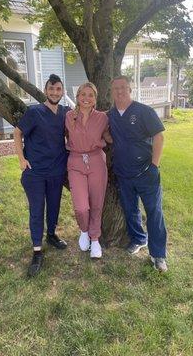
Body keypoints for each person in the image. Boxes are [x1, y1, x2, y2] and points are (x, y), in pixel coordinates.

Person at [108, 75, 168, 272]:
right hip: (123, 174)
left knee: (154, 212)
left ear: (130, 88)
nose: (119, 91)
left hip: (146, 173)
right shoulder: (111, 115)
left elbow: (159, 137)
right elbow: (107, 134)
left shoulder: (144, 111)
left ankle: (158, 255)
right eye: (116, 88)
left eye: (123, 87)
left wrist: (154, 165)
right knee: (130, 209)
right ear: (112, 91)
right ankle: (138, 239)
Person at [14, 74, 69, 277]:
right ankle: (37, 251)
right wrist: (21, 159)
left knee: (54, 205)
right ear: (46, 90)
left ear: (62, 92)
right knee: (37, 210)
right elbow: (17, 133)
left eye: (58, 89)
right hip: (35, 172)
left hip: (57, 169)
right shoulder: (34, 111)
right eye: (51, 89)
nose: (55, 92)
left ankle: (52, 235)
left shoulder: (66, 112)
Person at [65, 83, 110, 259]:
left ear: (95, 99)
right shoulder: (68, 116)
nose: (86, 98)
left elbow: (109, 136)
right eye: (83, 94)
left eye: (91, 95)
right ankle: (84, 230)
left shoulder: (102, 118)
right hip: (75, 161)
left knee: (97, 203)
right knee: (82, 207)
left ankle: (95, 239)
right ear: (77, 96)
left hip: (97, 160)